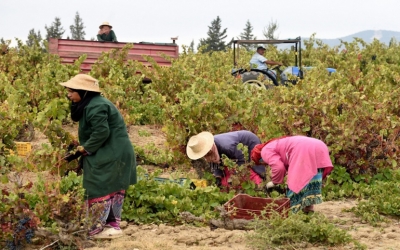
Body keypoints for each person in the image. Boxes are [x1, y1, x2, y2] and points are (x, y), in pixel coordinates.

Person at [61, 74, 136, 239]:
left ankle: (98, 228)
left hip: (112, 151)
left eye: (72, 91)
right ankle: (111, 226)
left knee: (97, 184)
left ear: (83, 92)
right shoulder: (93, 103)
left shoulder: (96, 106)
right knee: (109, 186)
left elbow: (102, 132)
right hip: (111, 149)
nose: (69, 94)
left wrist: (83, 150)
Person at [251, 136, 334, 213]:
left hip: (304, 149)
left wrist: (274, 183)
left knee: (295, 184)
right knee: (310, 178)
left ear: (260, 160)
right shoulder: (276, 143)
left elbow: (279, 167)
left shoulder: (264, 151)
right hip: (319, 146)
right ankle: (308, 210)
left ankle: (293, 213)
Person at [186, 130, 265, 187]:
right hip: (235, 150)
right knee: (225, 178)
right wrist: (218, 176)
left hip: (249, 142)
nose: (204, 155)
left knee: (254, 169)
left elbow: (242, 161)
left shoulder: (227, 147)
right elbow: (215, 163)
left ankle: (262, 185)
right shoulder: (211, 151)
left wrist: (235, 176)